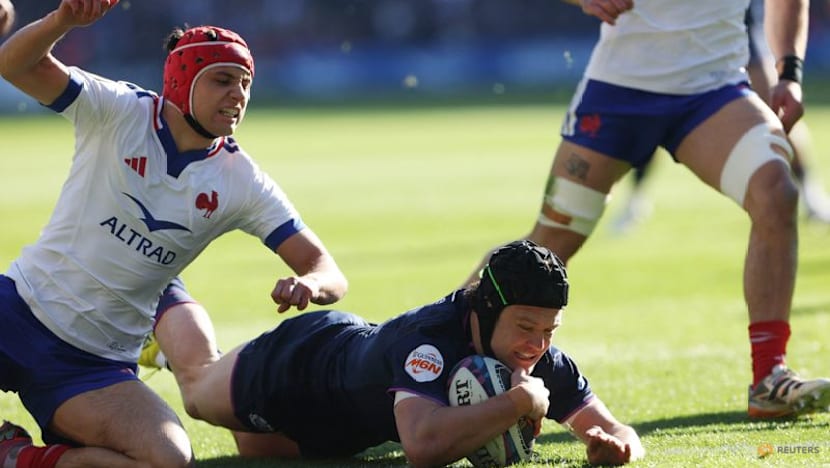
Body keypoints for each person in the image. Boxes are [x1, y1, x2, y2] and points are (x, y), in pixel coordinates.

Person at [0, 1, 347, 466]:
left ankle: (16, 455)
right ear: (182, 82)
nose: (239, 95)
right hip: (18, 308)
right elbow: (13, 65)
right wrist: (64, 20)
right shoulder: (120, 111)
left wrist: (311, 283)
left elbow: (326, 269)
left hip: (92, 365)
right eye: (223, 80)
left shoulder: (240, 181)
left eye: (246, 83)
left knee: (168, 460)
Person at [466, 0, 830, 419]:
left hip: (714, 91)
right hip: (619, 90)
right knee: (547, 245)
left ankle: (770, 377)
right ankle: (435, 349)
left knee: (776, 192)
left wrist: (790, 72)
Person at [139, 240, 645, 467]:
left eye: (550, 330)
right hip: (299, 367)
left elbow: (616, 428)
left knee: (257, 450)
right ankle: (157, 286)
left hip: (345, 424)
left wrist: (617, 446)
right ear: (486, 309)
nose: (538, 344)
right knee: (198, 388)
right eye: (526, 326)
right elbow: (423, 447)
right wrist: (517, 405)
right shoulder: (431, 340)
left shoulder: (536, 356)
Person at [611, 0, 830, 234]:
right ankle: (635, 199)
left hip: (736, 22)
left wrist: (789, 73)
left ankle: (810, 193)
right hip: (679, 29)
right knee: (656, 108)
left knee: (775, 105)